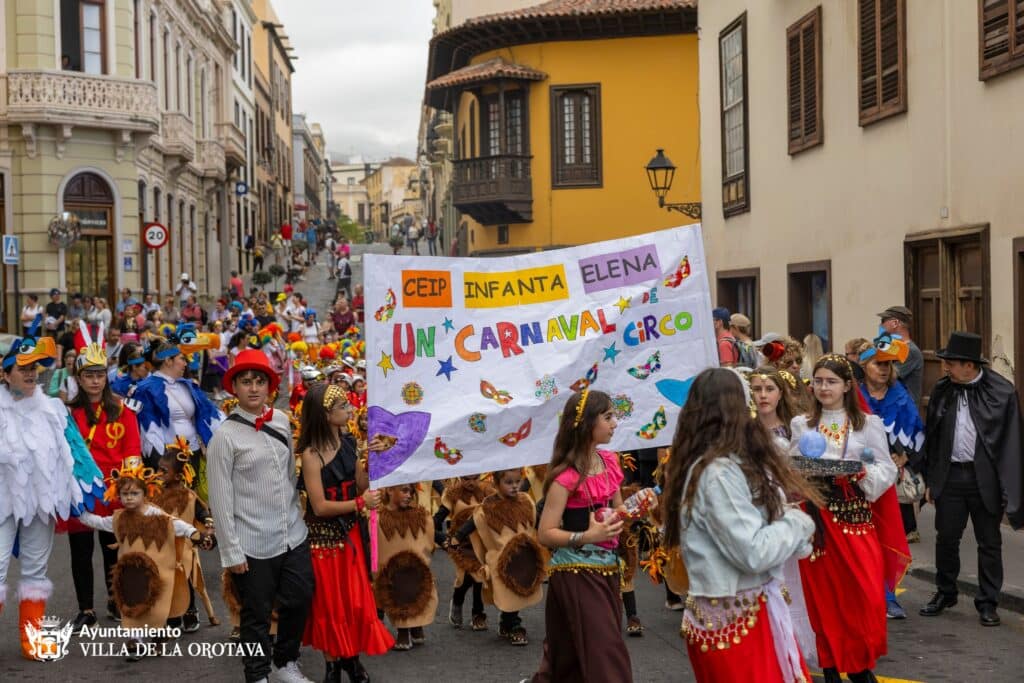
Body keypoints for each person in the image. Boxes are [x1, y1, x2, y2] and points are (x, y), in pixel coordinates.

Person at [662, 368, 819, 683]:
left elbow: (770, 536)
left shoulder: (730, 464)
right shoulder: (717, 472)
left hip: (752, 611)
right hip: (737, 621)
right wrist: (799, 522)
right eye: (748, 398)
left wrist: (788, 529)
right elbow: (752, 552)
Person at [788, 354, 901, 683]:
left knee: (862, 597)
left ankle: (861, 666)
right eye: (819, 381)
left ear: (848, 386)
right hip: (818, 525)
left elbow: (886, 469)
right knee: (824, 600)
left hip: (854, 523)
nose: (823, 388)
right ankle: (831, 668)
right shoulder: (802, 425)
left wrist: (861, 472)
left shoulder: (867, 427)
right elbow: (792, 468)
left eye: (831, 381)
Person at [207, 348, 314, 683]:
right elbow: (221, 500)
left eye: (259, 381)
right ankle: (257, 674)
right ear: (234, 388)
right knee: (255, 614)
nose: (253, 388)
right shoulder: (224, 437)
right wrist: (231, 552)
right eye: (245, 381)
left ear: (269, 386)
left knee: (300, 597)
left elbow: (287, 474)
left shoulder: (281, 422)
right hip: (252, 541)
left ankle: (285, 663)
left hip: (291, 533)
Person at [0, 323, 103, 660]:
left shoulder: (54, 411)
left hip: (41, 504)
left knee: (35, 572)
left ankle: (33, 641)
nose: (30, 374)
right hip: (2, 505)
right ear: (5, 374)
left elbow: (75, 454)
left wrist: (83, 489)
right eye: (23, 368)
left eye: (34, 368)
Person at [917, 331, 1024, 627]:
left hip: (984, 479)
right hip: (950, 476)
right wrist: (929, 479)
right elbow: (934, 437)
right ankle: (945, 591)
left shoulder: (1001, 393)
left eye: (950, 363)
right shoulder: (943, 389)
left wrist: (1009, 487)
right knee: (946, 538)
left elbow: (1011, 443)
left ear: (969, 365)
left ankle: (988, 602)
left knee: (989, 542)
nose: (945, 368)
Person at [529, 389, 631, 683]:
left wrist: (633, 510)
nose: (614, 423)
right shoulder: (566, 476)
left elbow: (619, 508)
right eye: (608, 417)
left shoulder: (610, 462)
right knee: (606, 651)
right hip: (575, 571)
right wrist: (587, 535)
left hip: (609, 569)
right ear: (588, 423)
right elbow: (545, 533)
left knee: (569, 655)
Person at [297, 383, 393, 681]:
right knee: (329, 605)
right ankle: (332, 667)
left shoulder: (350, 442)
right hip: (323, 542)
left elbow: (360, 483)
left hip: (350, 535)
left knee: (353, 601)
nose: (350, 410)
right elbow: (320, 506)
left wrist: (370, 461)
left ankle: (351, 660)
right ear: (326, 415)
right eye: (343, 407)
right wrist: (359, 503)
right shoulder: (311, 455)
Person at [78, 457, 212, 661]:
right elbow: (99, 522)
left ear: (145, 493)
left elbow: (175, 524)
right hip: (129, 572)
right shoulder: (119, 518)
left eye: (134, 493)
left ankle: (159, 633)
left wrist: (196, 534)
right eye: (125, 494)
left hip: (155, 570)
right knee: (131, 602)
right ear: (118, 495)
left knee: (156, 603)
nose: (129, 498)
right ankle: (136, 641)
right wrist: (76, 511)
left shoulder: (155, 514)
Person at [62, 323, 142, 633]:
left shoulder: (124, 411)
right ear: (79, 379)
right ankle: (86, 609)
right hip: (80, 495)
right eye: (88, 375)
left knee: (114, 551)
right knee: (80, 553)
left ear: (106, 377)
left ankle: (115, 601)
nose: (95, 381)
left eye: (99, 375)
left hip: (114, 494)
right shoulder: (68, 415)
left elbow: (133, 450)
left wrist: (129, 489)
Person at [856, 331, 925, 620]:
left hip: (887, 481)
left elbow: (917, 430)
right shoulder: (853, 395)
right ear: (864, 367)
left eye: (887, 365)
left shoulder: (900, 395)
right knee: (860, 540)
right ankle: (863, 594)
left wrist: (904, 456)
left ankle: (888, 596)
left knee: (887, 537)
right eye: (877, 364)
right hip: (856, 478)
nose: (883, 370)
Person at [451, 468, 545, 646]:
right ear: (496, 483)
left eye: (517, 482)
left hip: (522, 557)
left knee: (518, 590)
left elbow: (537, 521)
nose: (515, 486)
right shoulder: (487, 507)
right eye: (509, 482)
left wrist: (549, 535)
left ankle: (507, 623)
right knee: (506, 591)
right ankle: (513, 625)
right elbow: (472, 522)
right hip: (501, 559)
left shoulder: (525, 501)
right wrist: (457, 538)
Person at [132, 326, 223, 493]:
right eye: (182, 358)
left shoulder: (187, 385)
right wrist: (161, 466)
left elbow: (211, 415)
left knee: (190, 500)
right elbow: (148, 433)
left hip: (193, 452)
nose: (186, 363)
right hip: (167, 459)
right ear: (168, 361)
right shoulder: (145, 389)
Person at [153, 439, 218, 631]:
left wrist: (208, 530)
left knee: (187, 577)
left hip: (186, 548)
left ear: (179, 475)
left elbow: (203, 514)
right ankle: (173, 615)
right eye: (159, 469)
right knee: (166, 581)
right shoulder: (155, 493)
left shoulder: (189, 496)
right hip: (164, 548)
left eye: (164, 471)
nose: (159, 474)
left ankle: (190, 610)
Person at [375, 483, 438, 651]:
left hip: (416, 567)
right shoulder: (378, 518)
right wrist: (375, 572)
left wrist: (424, 559)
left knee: (416, 588)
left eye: (411, 491)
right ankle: (404, 630)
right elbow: (376, 547)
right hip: (391, 570)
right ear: (389, 490)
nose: (409, 495)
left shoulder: (421, 516)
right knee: (397, 590)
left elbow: (428, 543)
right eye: (404, 490)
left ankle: (416, 626)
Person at [436, 475, 495, 631]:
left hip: (482, 543)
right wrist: (442, 539)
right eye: (466, 478)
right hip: (460, 544)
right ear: (460, 477)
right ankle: (457, 600)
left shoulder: (487, 491)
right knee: (464, 578)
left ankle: (478, 614)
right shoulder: (452, 494)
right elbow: (436, 520)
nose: (471, 482)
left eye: (475, 478)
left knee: (480, 576)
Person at [878, 306, 923, 406]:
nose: (881, 325)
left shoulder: (910, 351)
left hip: (904, 411)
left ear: (895, 323)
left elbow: (885, 377)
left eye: (883, 320)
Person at [750, 365, 801, 452]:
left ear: (780, 394)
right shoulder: (744, 430)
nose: (763, 395)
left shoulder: (795, 428)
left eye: (770, 389)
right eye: (757, 389)